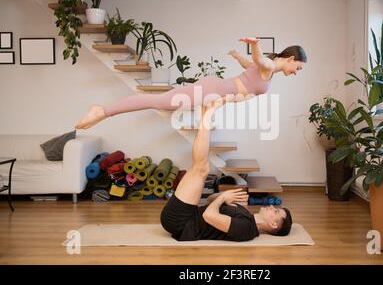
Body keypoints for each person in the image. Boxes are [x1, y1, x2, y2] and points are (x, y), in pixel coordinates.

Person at [75, 37, 307, 129]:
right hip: (212, 90)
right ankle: (103, 110)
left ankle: (104, 111)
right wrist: (255, 45)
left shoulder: (269, 70)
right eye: (298, 68)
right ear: (290, 59)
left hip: (214, 93)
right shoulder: (269, 65)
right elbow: (258, 59)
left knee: (162, 104)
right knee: (158, 101)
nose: (296, 72)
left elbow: (250, 65)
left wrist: (237, 56)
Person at [160, 102, 292, 241]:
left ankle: (206, 116)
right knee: (201, 168)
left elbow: (208, 215)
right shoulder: (246, 214)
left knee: (201, 168)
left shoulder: (247, 229)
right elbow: (209, 201)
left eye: (276, 211)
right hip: (189, 214)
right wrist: (223, 196)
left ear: (273, 224)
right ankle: (206, 114)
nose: (272, 206)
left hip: (181, 223)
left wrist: (223, 198)